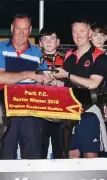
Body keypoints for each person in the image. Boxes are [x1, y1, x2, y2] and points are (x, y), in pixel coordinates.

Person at [0, 13, 50, 159]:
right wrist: (29, 74)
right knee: (5, 156)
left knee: (32, 158)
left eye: (25, 29)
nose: (21, 33)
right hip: (6, 111)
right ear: (12, 28)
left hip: (31, 112)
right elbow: (1, 77)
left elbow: (46, 80)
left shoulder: (38, 53)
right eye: (18, 28)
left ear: (30, 30)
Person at [51, 19, 107, 158]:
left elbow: (93, 83)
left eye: (82, 31)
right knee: (72, 155)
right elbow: (64, 84)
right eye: (74, 32)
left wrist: (68, 75)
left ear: (90, 33)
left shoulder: (100, 56)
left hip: (90, 112)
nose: (78, 35)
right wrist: (51, 81)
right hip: (69, 112)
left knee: (91, 156)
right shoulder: (68, 55)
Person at [38, 26, 65, 159]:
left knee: (59, 149)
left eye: (52, 38)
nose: (48, 42)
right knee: (40, 148)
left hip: (59, 111)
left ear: (58, 42)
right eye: (45, 39)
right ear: (40, 43)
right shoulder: (34, 60)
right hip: (40, 110)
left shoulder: (66, 60)